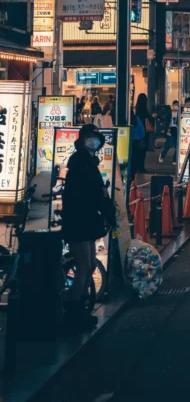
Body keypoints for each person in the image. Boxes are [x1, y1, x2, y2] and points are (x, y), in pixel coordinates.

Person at [61, 124, 115, 331]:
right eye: (90, 138)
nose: (94, 142)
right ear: (83, 140)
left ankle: (81, 310)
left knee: (90, 264)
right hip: (79, 221)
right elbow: (93, 193)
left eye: (96, 139)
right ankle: (72, 313)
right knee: (84, 266)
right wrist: (107, 210)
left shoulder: (86, 161)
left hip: (85, 220)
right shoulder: (81, 163)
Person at [131, 108, 147, 176]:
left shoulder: (121, 120)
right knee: (135, 157)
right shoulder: (136, 119)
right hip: (136, 142)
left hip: (125, 142)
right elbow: (142, 132)